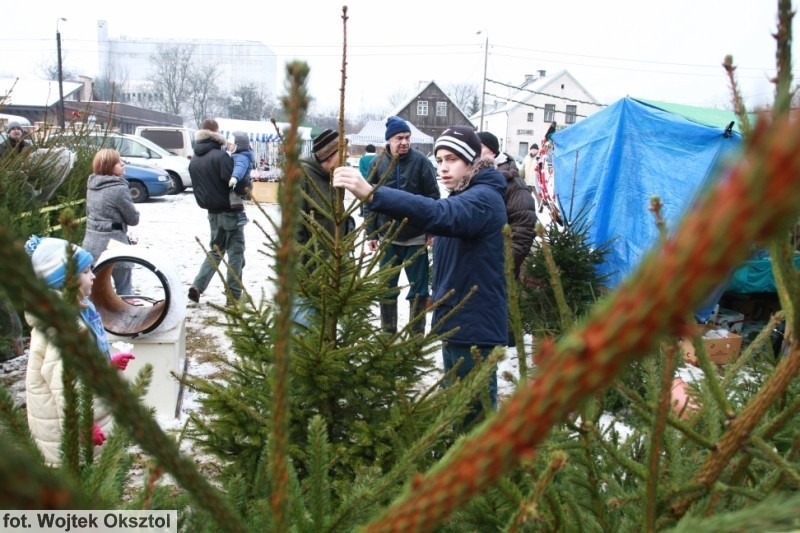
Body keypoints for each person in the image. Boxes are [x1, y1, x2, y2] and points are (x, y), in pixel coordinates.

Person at [334, 125, 508, 424]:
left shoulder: (483, 198)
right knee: (458, 408)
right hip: (457, 321)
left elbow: (440, 214)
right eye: (439, 160)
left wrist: (374, 194)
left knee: (474, 415)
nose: (443, 168)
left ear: (470, 161)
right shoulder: (464, 194)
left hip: (473, 326)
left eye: (452, 159)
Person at [23, 235, 134, 466]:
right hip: (71, 434)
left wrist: (107, 362)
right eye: (86, 272)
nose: (93, 276)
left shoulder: (79, 313)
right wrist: (84, 426)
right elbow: (64, 384)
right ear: (65, 280)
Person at [364, 116, 440, 335]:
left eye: (407, 137)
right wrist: (371, 233)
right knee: (386, 288)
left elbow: (433, 197)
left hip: (415, 237)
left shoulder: (421, 162)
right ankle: (388, 333)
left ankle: (416, 336)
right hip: (387, 237)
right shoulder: (377, 163)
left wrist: (431, 229)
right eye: (399, 138)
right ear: (389, 140)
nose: (404, 142)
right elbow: (368, 199)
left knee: (418, 290)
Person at [187, 118, 243, 305]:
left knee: (216, 251)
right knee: (236, 253)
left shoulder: (195, 158)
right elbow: (232, 182)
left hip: (211, 212)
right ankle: (233, 296)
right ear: (217, 133)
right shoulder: (221, 157)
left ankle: (198, 285)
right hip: (229, 211)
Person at [477, 131, 537, 279]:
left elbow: (523, 231)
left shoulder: (513, 184)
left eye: (478, 147)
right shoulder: (474, 178)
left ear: (491, 150)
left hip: (495, 273)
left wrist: (501, 266)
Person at [81, 148, 140, 297]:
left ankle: (95, 319)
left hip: (91, 244)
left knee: (95, 292)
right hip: (115, 243)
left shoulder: (92, 184)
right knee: (124, 290)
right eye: (117, 162)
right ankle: (124, 318)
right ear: (108, 166)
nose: (123, 164)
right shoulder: (118, 188)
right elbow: (133, 219)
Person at [227, 131, 254, 227]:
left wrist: (235, 177)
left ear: (238, 146)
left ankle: (242, 215)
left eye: (231, 145)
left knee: (232, 193)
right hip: (242, 181)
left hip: (242, 182)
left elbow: (240, 167)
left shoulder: (241, 157)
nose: (229, 147)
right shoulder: (240, 154)